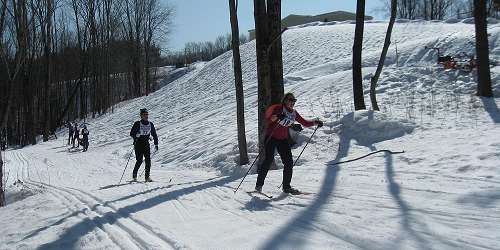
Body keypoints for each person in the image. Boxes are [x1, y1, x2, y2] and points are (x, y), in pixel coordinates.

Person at [256, 92, 323, 194]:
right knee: (268, 160)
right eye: (290, 100)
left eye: (294, 100)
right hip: (271, 137)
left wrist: (315, 122)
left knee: (289, 162)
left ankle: (286, 187)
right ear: (285, 100)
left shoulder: (294, 113)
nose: (292, 102)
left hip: (283, 139)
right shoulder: (279, 108)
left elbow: (304, 122)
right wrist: (277, 116)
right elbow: (269, 120)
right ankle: (259, 185)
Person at [130, 108, 158, 182]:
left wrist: (156, 144)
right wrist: (136, 135)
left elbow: (154, 134)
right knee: (139, 160)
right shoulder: (137, 123)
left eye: (147, 114)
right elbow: (131, 133)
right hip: (138, 144)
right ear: (141, 116)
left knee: (148, 160)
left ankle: (147, 177)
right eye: (144, 114)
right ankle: (134, 174)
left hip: (146, 144)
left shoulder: (150, 124)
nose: (146, 116)